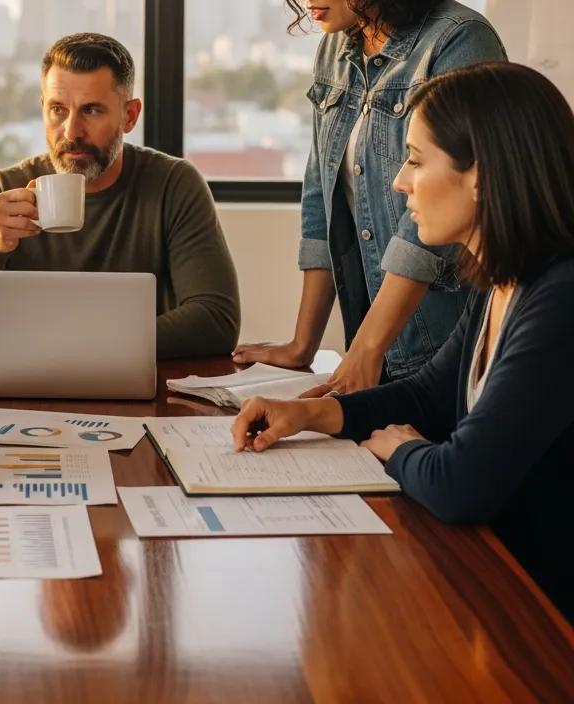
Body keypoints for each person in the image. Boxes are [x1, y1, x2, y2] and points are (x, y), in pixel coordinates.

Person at [231, 62, 574, 621]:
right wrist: (309, 413)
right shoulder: (502, 282)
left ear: (482, 176)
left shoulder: (559, 299)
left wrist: (399, 450)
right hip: (500, 580)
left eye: (415, 160)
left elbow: (461, 485)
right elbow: (425, 399)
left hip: (544, 616)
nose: (398, 182)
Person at [234, 0, 506, 392]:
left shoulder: (458, 42)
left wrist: (366, 350)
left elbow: (426, 223)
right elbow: (322, 200)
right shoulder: (335, 50)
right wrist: (302, 346)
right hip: (372, 345)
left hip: (440, 348)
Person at [0, 32, 239, 358]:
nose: (72, 132)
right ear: (43, 108)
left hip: (129, 386)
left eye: (91, 111)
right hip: (26, 385)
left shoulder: (173, 184)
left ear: (129, 116)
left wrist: (74, 347)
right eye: (58, 109)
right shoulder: (5, 190)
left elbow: (216, 321)